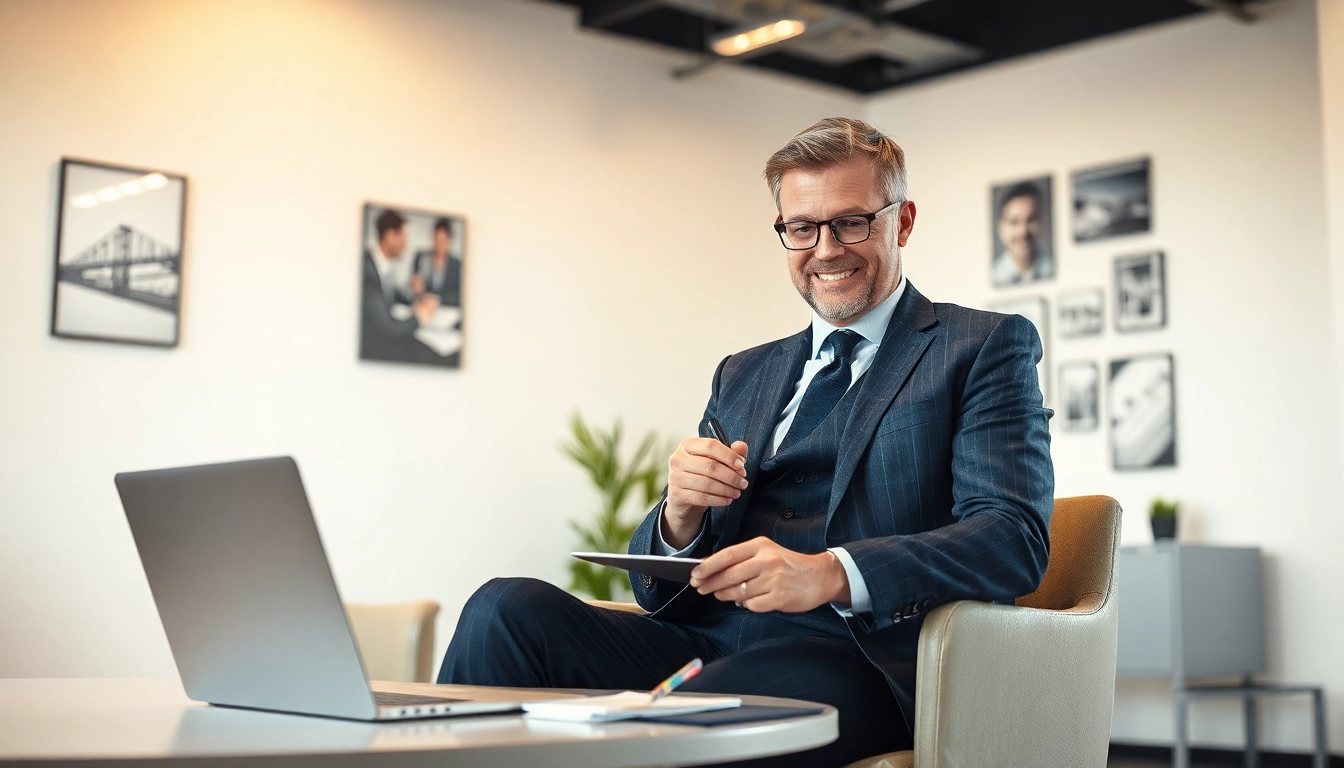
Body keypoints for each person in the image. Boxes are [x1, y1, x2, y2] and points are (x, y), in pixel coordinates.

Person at [438, 118, 1054, 767]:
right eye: (802, 228)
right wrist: (680, 514)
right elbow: (658, 595)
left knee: (695, 720)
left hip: (854, 657)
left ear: (901, 223)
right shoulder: (745, 373)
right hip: (703, 639)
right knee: (503, 610)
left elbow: (1012, 538)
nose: (825, 249)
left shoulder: (980, 347)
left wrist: (830, 574)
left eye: (851, 222)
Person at [360, 208, 440, 364]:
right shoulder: (368, 273)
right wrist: (420, 316)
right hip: (378, 349)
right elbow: (387, 329)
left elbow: (391, 295)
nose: (406, 244)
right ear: (390, 236)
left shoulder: (382, 264)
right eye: (403, 237)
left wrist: (413, 293)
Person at [990, 181, 1054, 286]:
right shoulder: (995, 274)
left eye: (1031, 220)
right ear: (1001, 228)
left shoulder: (1052, 266)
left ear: (1042, 222)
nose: (1023, 232)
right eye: (1014, 222)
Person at [410, 217, 462, 310]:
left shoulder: (457, 265)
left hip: (446, 311)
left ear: (449, 241)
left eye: (443, 240)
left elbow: (459, 297)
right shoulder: (422, 257)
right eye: (436, 239)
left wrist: (437, 300)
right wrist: (415, 288)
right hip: (423, 309)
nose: (439, 244)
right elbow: (412, 290)